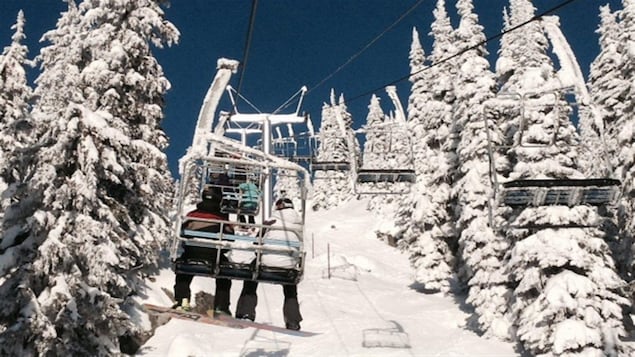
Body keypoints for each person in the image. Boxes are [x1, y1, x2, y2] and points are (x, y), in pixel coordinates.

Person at [234, 198, 303, 330]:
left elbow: (257, 242)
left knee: (251, 277)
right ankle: (293, 320)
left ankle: (246, 312)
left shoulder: (270, 221)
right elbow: (299, 246)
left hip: (267, 263)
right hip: (287, 266)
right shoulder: (299, 224)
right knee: (290, 288)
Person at [173, 185, 234, 315]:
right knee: (224, 276)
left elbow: (183, 232)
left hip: (192, 254)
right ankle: (221, 307)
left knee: (183, 272)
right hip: (214, 257)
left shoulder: (192, 215)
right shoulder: (222, 218)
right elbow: (230, 237)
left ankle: (182, 300)